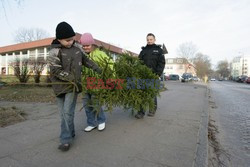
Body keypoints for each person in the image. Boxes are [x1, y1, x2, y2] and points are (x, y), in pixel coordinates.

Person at [47, 22, 101, 151]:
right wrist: (69, 77)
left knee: (67, 112)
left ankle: (65, 139)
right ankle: (70, 133)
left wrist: (97, 68)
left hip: (73, 87)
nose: (71, 42)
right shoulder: (54, 51)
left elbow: (86, 60)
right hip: (59, 87)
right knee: (63, 114)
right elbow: (55, 70)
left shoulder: (77, 48)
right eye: (67, 40)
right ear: (59, 39)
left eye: (72, 39)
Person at [79, 33, 114, 132]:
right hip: (86, 83)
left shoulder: (100, 54)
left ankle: (101, 120)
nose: (85, 47)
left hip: (97, 83)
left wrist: (110, 77)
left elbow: (110, 64)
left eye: (87, 45)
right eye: (84, 46)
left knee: (96, 103)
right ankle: (91, 123)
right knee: (86, 104)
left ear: (92, 45)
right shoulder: (82, 56)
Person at [135, 33, 166, 119]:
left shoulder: (159, 50)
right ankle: (141, 112)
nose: (149, 41)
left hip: (154, 76)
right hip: (143, 76)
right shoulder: (143, 51)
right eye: (148, 40)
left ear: (154, 40)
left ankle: (152, 109)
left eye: (151, 39)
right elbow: (139, 62)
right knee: (142, 94)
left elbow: (162, 63)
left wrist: (157, 74)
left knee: (152, 94)